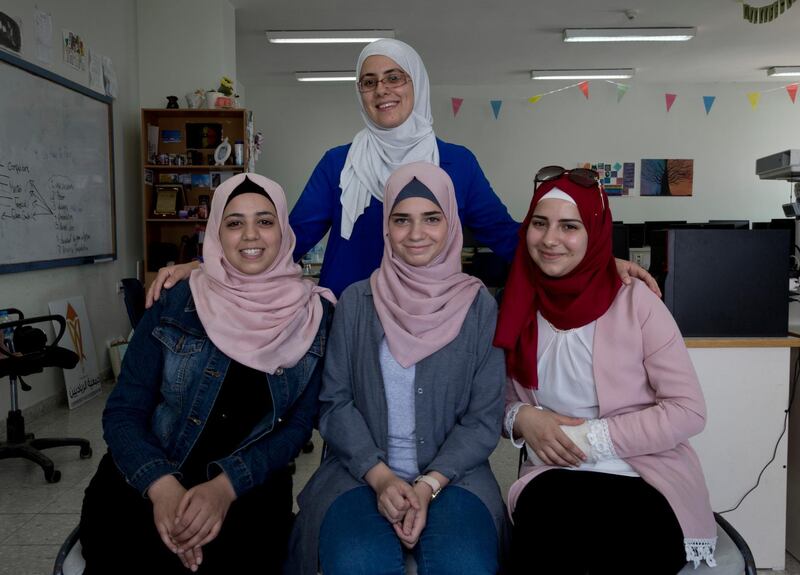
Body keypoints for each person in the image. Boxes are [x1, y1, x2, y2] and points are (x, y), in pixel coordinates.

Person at [145, 38, 656, 304]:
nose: (381, 90)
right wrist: (205, 264)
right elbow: (288, 239)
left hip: (431, 315)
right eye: (368, 82)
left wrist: (600, 264)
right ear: (359, 93)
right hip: (351, 317)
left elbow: (506, 236)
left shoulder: (455, 163)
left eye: (394, 78)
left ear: (417, 86)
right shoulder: (339, 162)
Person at [79, 174, 335, 574]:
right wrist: (161, 487)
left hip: (246, 489)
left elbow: (298, 427)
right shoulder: (175, 299)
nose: (250, 235)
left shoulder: (315, 318)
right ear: (216, 232)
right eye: (234, 223)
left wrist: (224, 487)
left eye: (265, 221)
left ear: (284, 230)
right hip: (146, 477)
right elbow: (124, 411)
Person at [493, 167, 716, 574]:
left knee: (619, 551)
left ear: (594, 233)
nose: (550, 239)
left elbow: (688, 410)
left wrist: (588, 437)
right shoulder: (517, 302)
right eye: (539, 224)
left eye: (569, 226)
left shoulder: (637, 303)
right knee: (543, 549)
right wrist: (522, 417)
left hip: (642, 475)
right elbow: (498, 398)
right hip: (553, 474)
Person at [287, 162, 507, 575]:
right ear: (386, 228)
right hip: (359, 472)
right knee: (357, 563)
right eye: (401, 219)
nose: (416, 233)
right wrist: (382, 477)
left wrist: (428, 483)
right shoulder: (356, 302)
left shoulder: (479, 308)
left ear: (451, 224)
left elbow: (483, 418)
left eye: (431, 218)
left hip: (454, 477)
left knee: (466, 566)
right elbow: (335, 403)